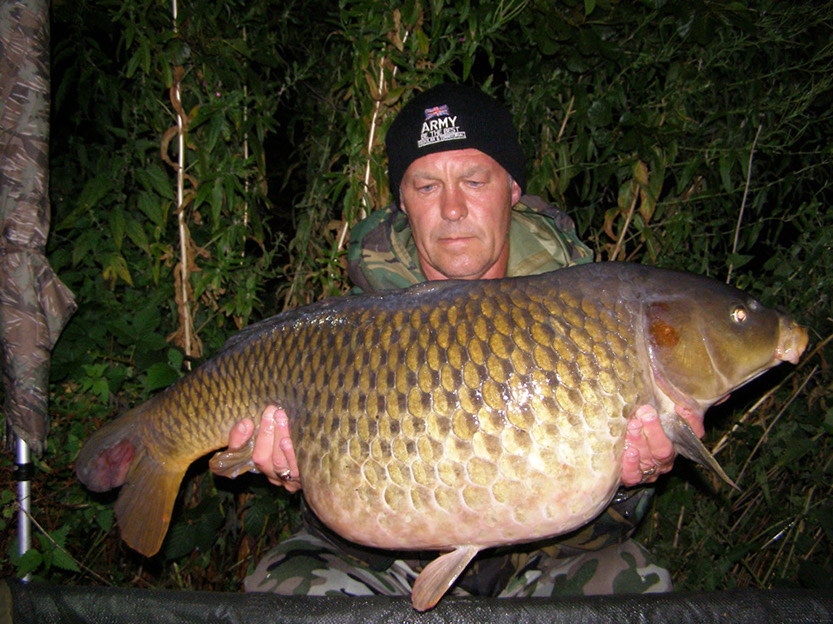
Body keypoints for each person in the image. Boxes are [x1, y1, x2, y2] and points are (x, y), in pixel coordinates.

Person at [221, 83, 704, 598]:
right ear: (402, 202)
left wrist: (632, 485)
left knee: (630, 586)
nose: (452, 209)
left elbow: (601, 534)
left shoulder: (594, 317)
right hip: (390, 555)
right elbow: (347, 502)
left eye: (473, 180)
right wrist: (299, 474)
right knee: (287, 589)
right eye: (427, 186)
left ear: (513, 188)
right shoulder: (354, 328)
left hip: (544, 555)